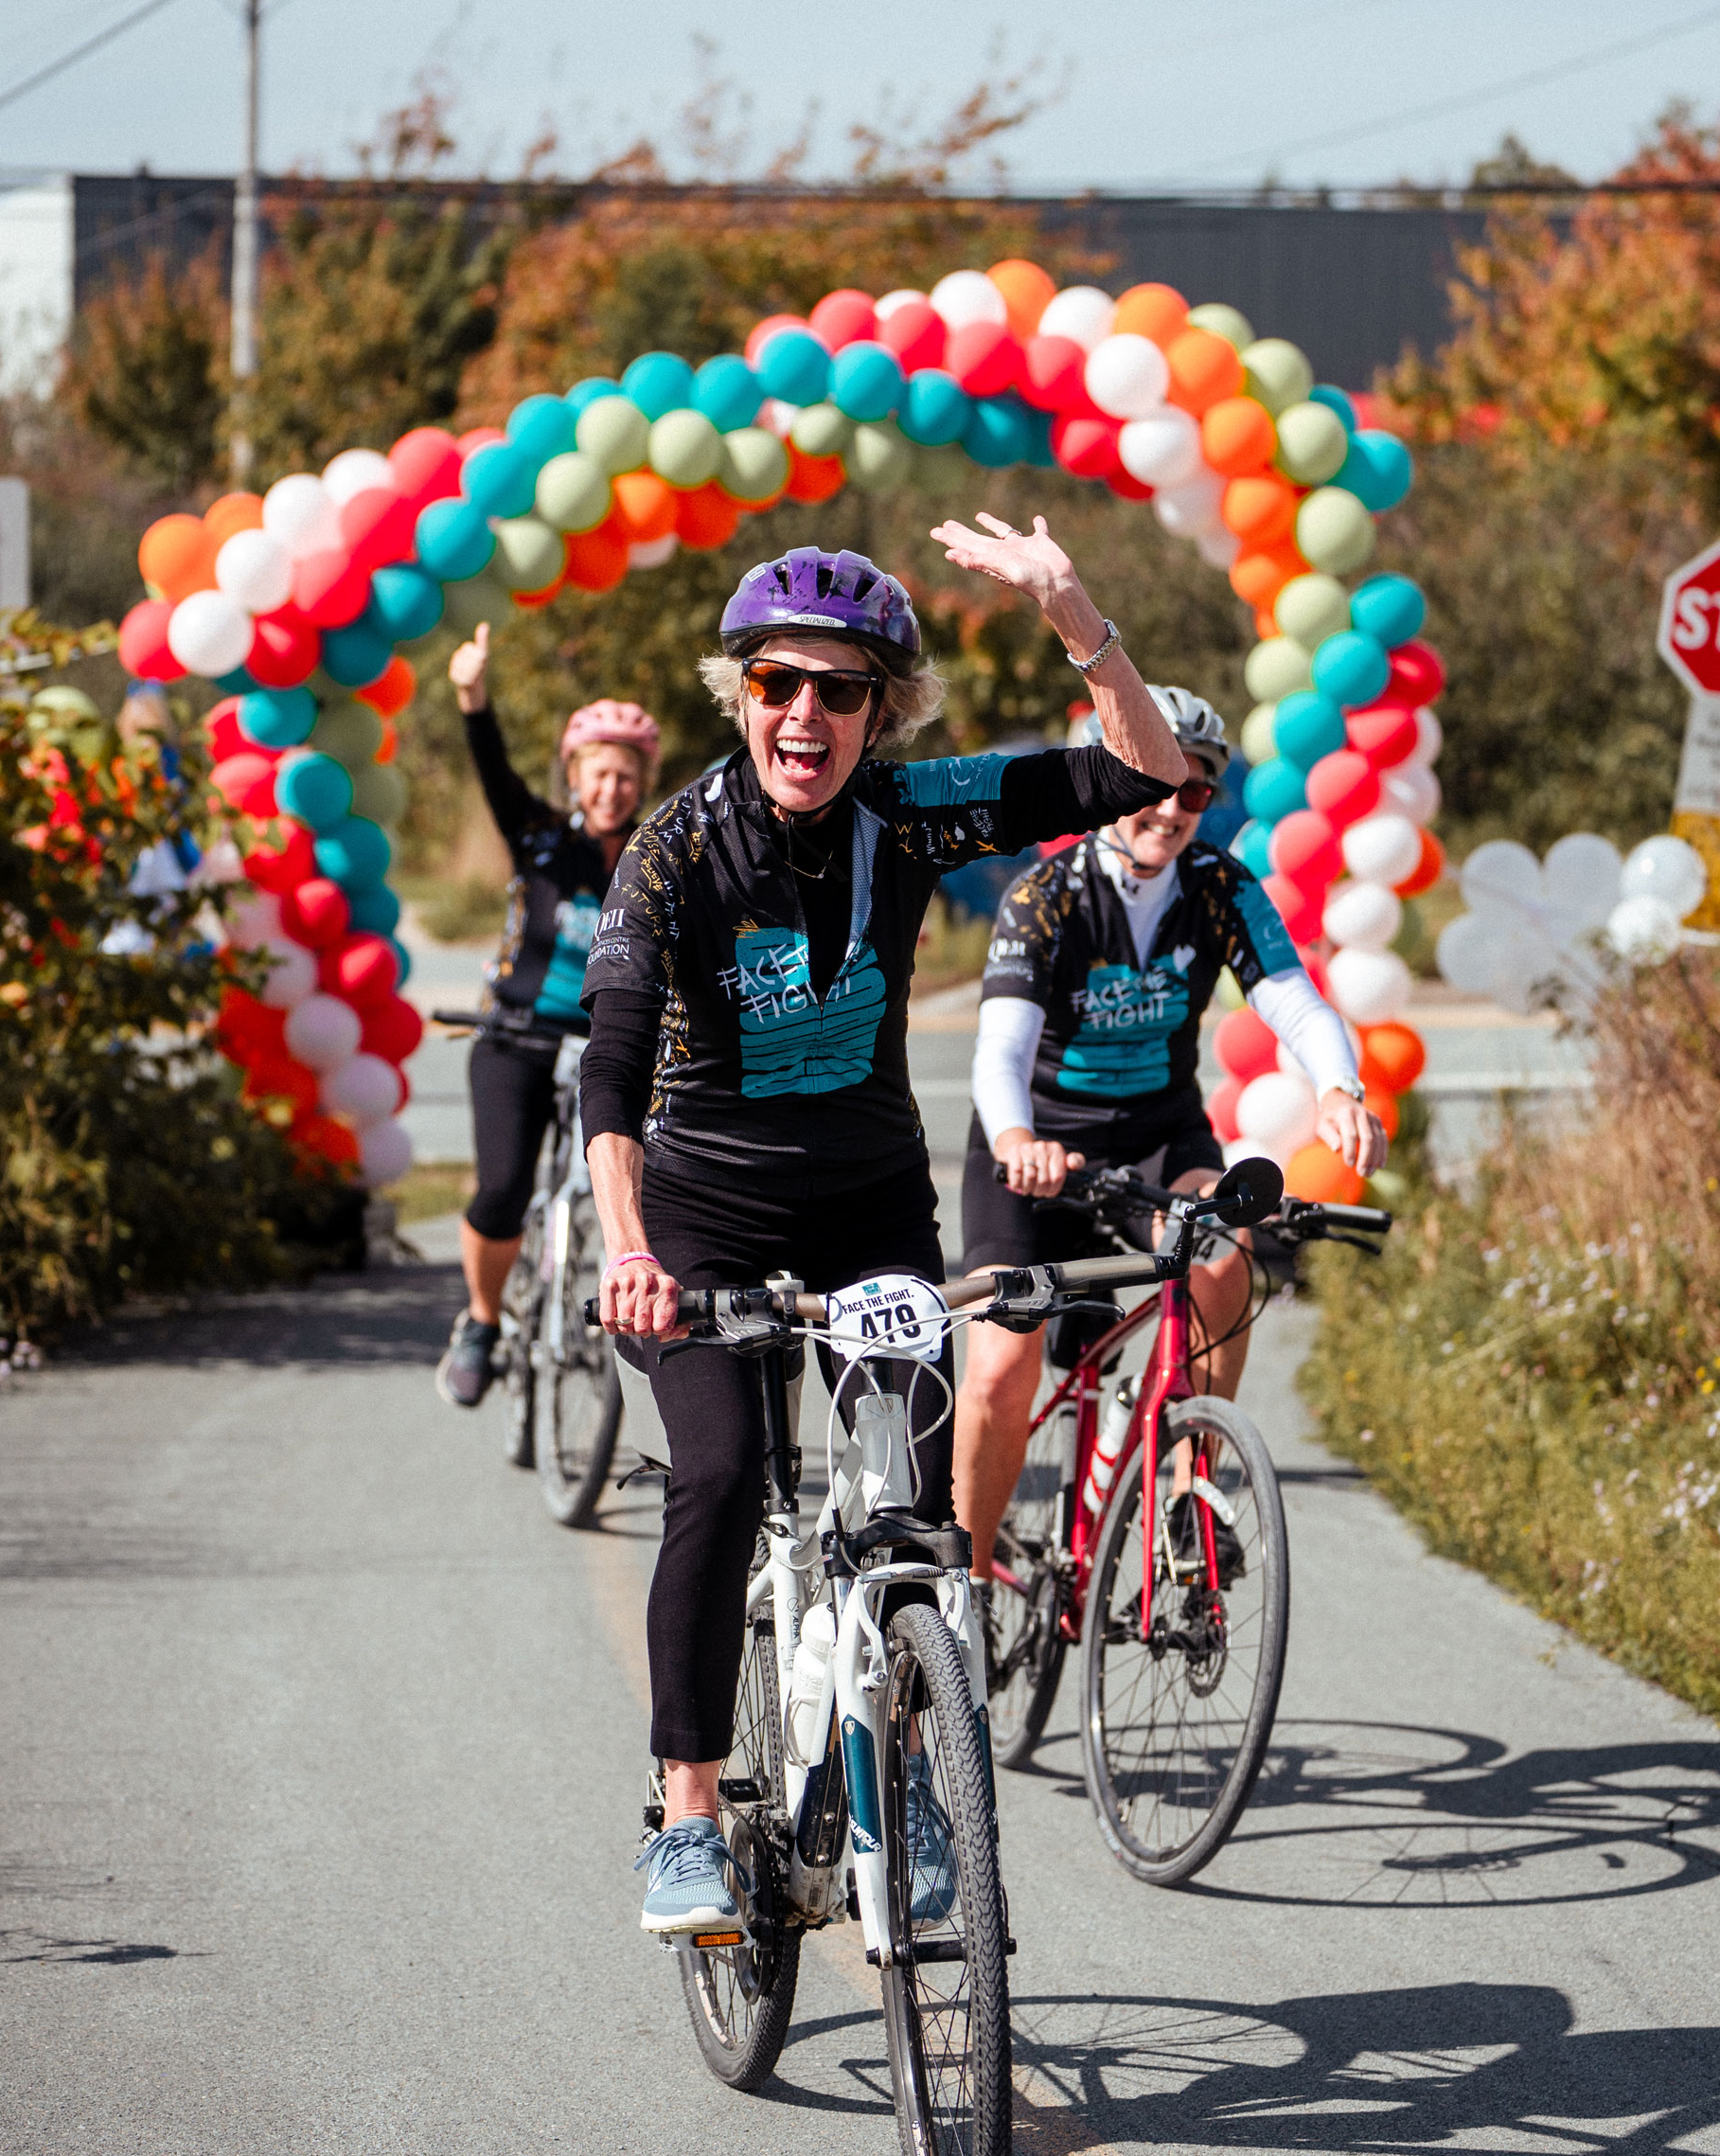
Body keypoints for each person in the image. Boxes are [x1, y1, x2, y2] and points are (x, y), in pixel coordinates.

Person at [580, 520, 1198, 1934]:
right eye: (780, 684)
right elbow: (610, 1074)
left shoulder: (914, 817)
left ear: (881, 709)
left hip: (869, 1211)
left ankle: (906, 1779)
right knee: (724, 1474)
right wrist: (629, 1253)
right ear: (741, 692)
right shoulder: (673, 853)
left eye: (841, 689)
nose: (807, 714)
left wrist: (1070, 607)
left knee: (915, 1529)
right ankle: (687, 1808)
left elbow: (1150, 770)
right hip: (697, 1220)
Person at [950, 686, 1387, 1584]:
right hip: (1036, 1152)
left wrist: (1340, 1089)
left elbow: (1291, 998)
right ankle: (965, 1566)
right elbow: (1000, 1051)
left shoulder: (1218, 886)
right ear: (1102, 785)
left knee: (1224, 1263)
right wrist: (1017, 1140)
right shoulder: (1048, 896)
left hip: (1157, 1136)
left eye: (1193, 791)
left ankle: (1191, 1485)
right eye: (1148, 783)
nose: (1169, 808)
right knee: (1000, 1372)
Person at [435, 624, 661, 1408]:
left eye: (627, 778)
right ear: (576, 776)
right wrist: (472, 696)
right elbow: (493, 770)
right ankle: (482, 1320)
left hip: (611, 1049)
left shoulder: (660, 855)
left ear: (642, 784)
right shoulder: (536, 836)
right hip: (518, 1039)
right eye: (600, 775)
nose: (612, 791)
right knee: (501, 1188)